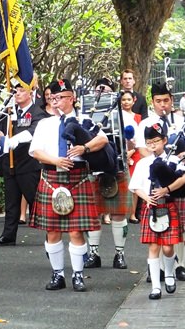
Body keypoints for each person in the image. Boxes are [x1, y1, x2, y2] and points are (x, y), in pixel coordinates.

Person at [28, 78, 108, 292]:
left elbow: (103, 140)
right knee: (52, 231)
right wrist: (55, 160)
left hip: (77, 177)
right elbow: (36, 152)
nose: (56, 102)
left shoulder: (84, 120)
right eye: (53, 98)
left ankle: (78, 275)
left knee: (75, 232)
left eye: (61, 97)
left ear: (72, 98)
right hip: (51, 176)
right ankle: (58, 274)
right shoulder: (45, 124)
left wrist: (85, 148)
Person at [135, 82, 185, 282]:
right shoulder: (146, 124)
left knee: (178, 225)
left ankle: (180, 266)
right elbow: (142, 150)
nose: (162, 105)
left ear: (171, 100)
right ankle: (154, 269)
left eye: (166, 100)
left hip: (178, 179)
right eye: (158, 101)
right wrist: (159, 161)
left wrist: (183, 155)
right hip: (156, 181)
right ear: (152, 102)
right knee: (156, 225)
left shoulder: (184, 120)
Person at [129, 123, 185, 299]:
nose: (152, 145)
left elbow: (184, 179)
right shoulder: (143, 163)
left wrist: (166, 190)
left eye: (156, 141)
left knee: (168, 248)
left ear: (164, 140)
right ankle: (155, 287)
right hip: (151, 207)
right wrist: (146, 198)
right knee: (153, 247)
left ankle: (169, 274)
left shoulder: (174, 160)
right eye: (149, 142)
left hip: (168, 205)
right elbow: (135, 186)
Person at [83, 78, 133, 270]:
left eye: (106, 90)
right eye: (98, 89)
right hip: (92, 168)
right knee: (93, 213)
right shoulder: (86, 115)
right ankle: (93, 254)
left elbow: (133, 142)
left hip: (117, 167)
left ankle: (119, 254)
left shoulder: (124, 116)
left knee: (119, 214)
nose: (101, 93)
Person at [0, 83, 48, 246]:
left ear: (30, 93)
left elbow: (34, 131)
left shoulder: (37, 112)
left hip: (28, 164)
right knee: (11, 202)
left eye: (22, 90)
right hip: (9, 163)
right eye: (15, 91)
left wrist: (15, 140)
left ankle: (51, 232)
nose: (17, 94)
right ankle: (8, 235)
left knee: (35, 201)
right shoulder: (9, 112)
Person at [120, 90, 142, 223]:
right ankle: (112, 214)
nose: (126, 102)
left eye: (128, 99)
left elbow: (139, 138)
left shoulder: (138, 118)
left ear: (134, 100)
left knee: (135, 184)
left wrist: (131, 152)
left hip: (136, 152)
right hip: (120, 152)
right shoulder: (116, 115)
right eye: (123, 100)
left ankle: (133, 214)